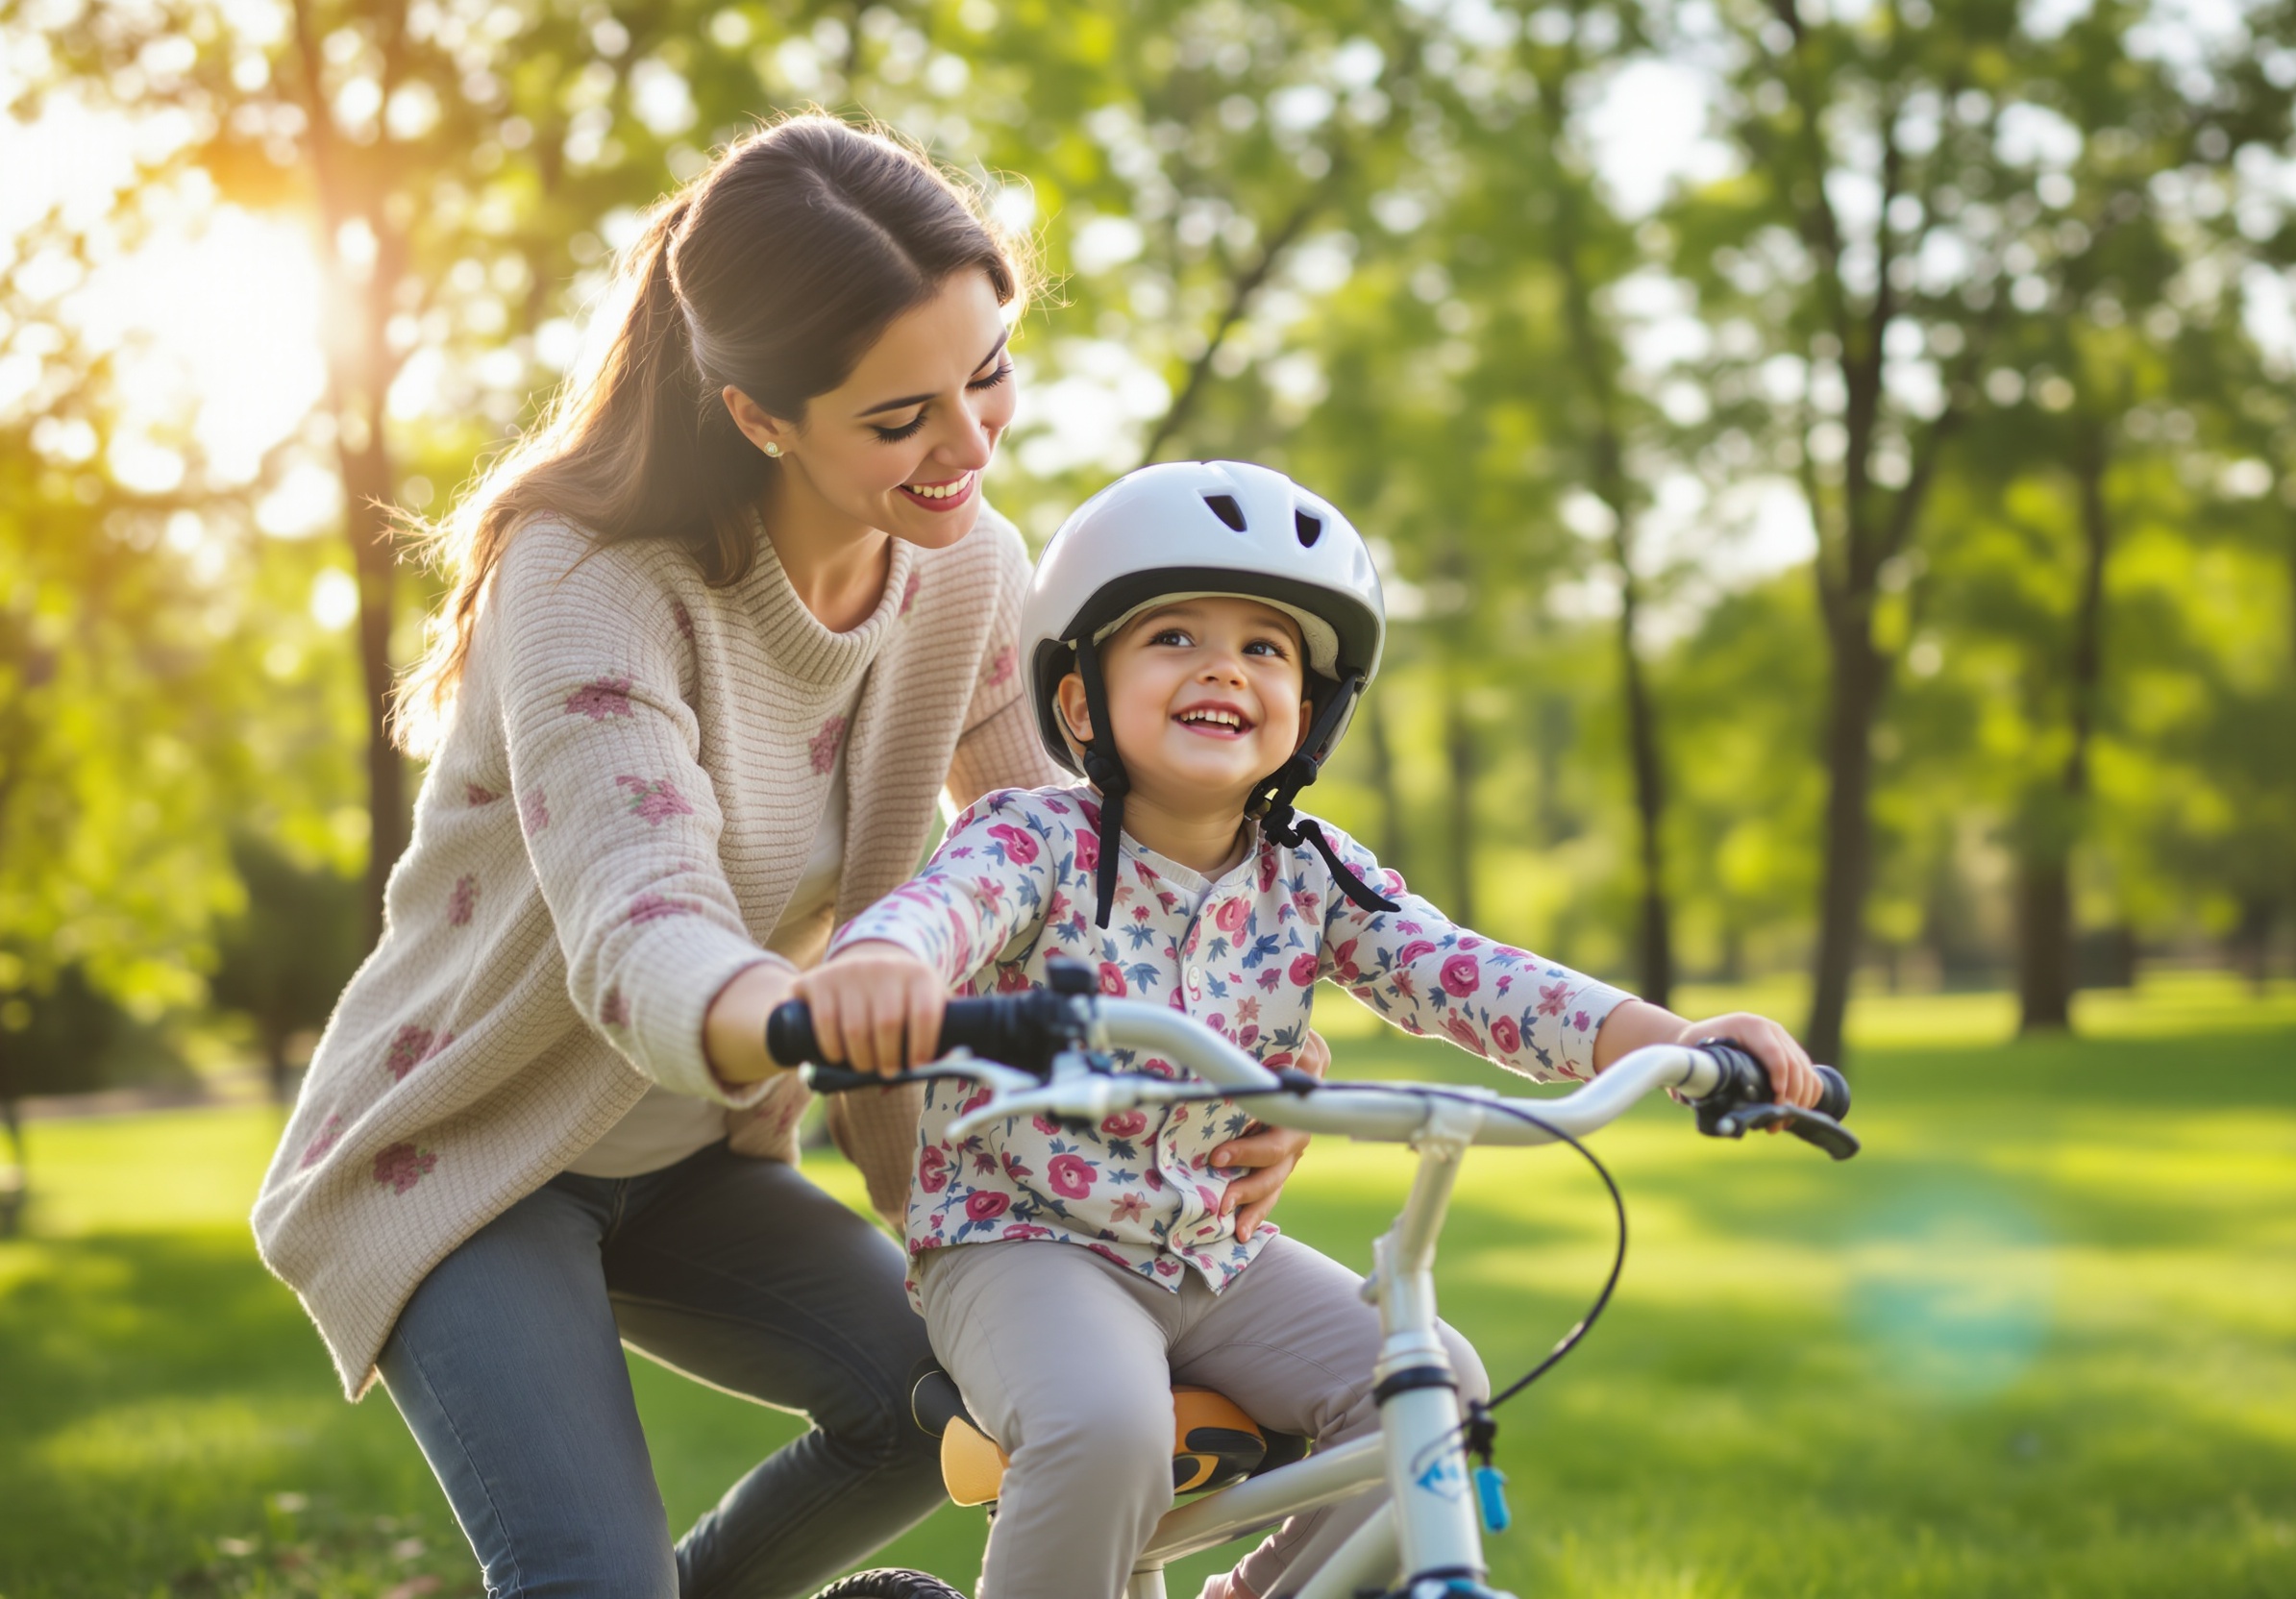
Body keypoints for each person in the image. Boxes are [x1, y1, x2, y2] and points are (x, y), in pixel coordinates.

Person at [249, 119, 1321, 1599]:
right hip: (469, 1155)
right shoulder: (588, 582)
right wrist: (812, 1007)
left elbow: (1081, 889)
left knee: (928, 1404)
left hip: (694, 1160)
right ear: (759, 414)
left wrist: (1222, 1076)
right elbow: (642, 927)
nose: (969, 445)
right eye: (901, 419)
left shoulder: (969, 573)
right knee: (584, 1579)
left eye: (989, 371)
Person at [796, 460, 1828, 1599]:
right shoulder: (1030, 838)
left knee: (1432, 1391)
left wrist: (1674, 1041)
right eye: (1174, 635)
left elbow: (1465, 972)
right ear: (1083, 699)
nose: (1225, 665)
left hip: (1214, 1250)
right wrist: (887, 967)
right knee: (1103, 1429)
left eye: (1267, 648)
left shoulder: (1315, 872)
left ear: (1310, 711)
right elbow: (940, 912)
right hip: (1025, 1241)